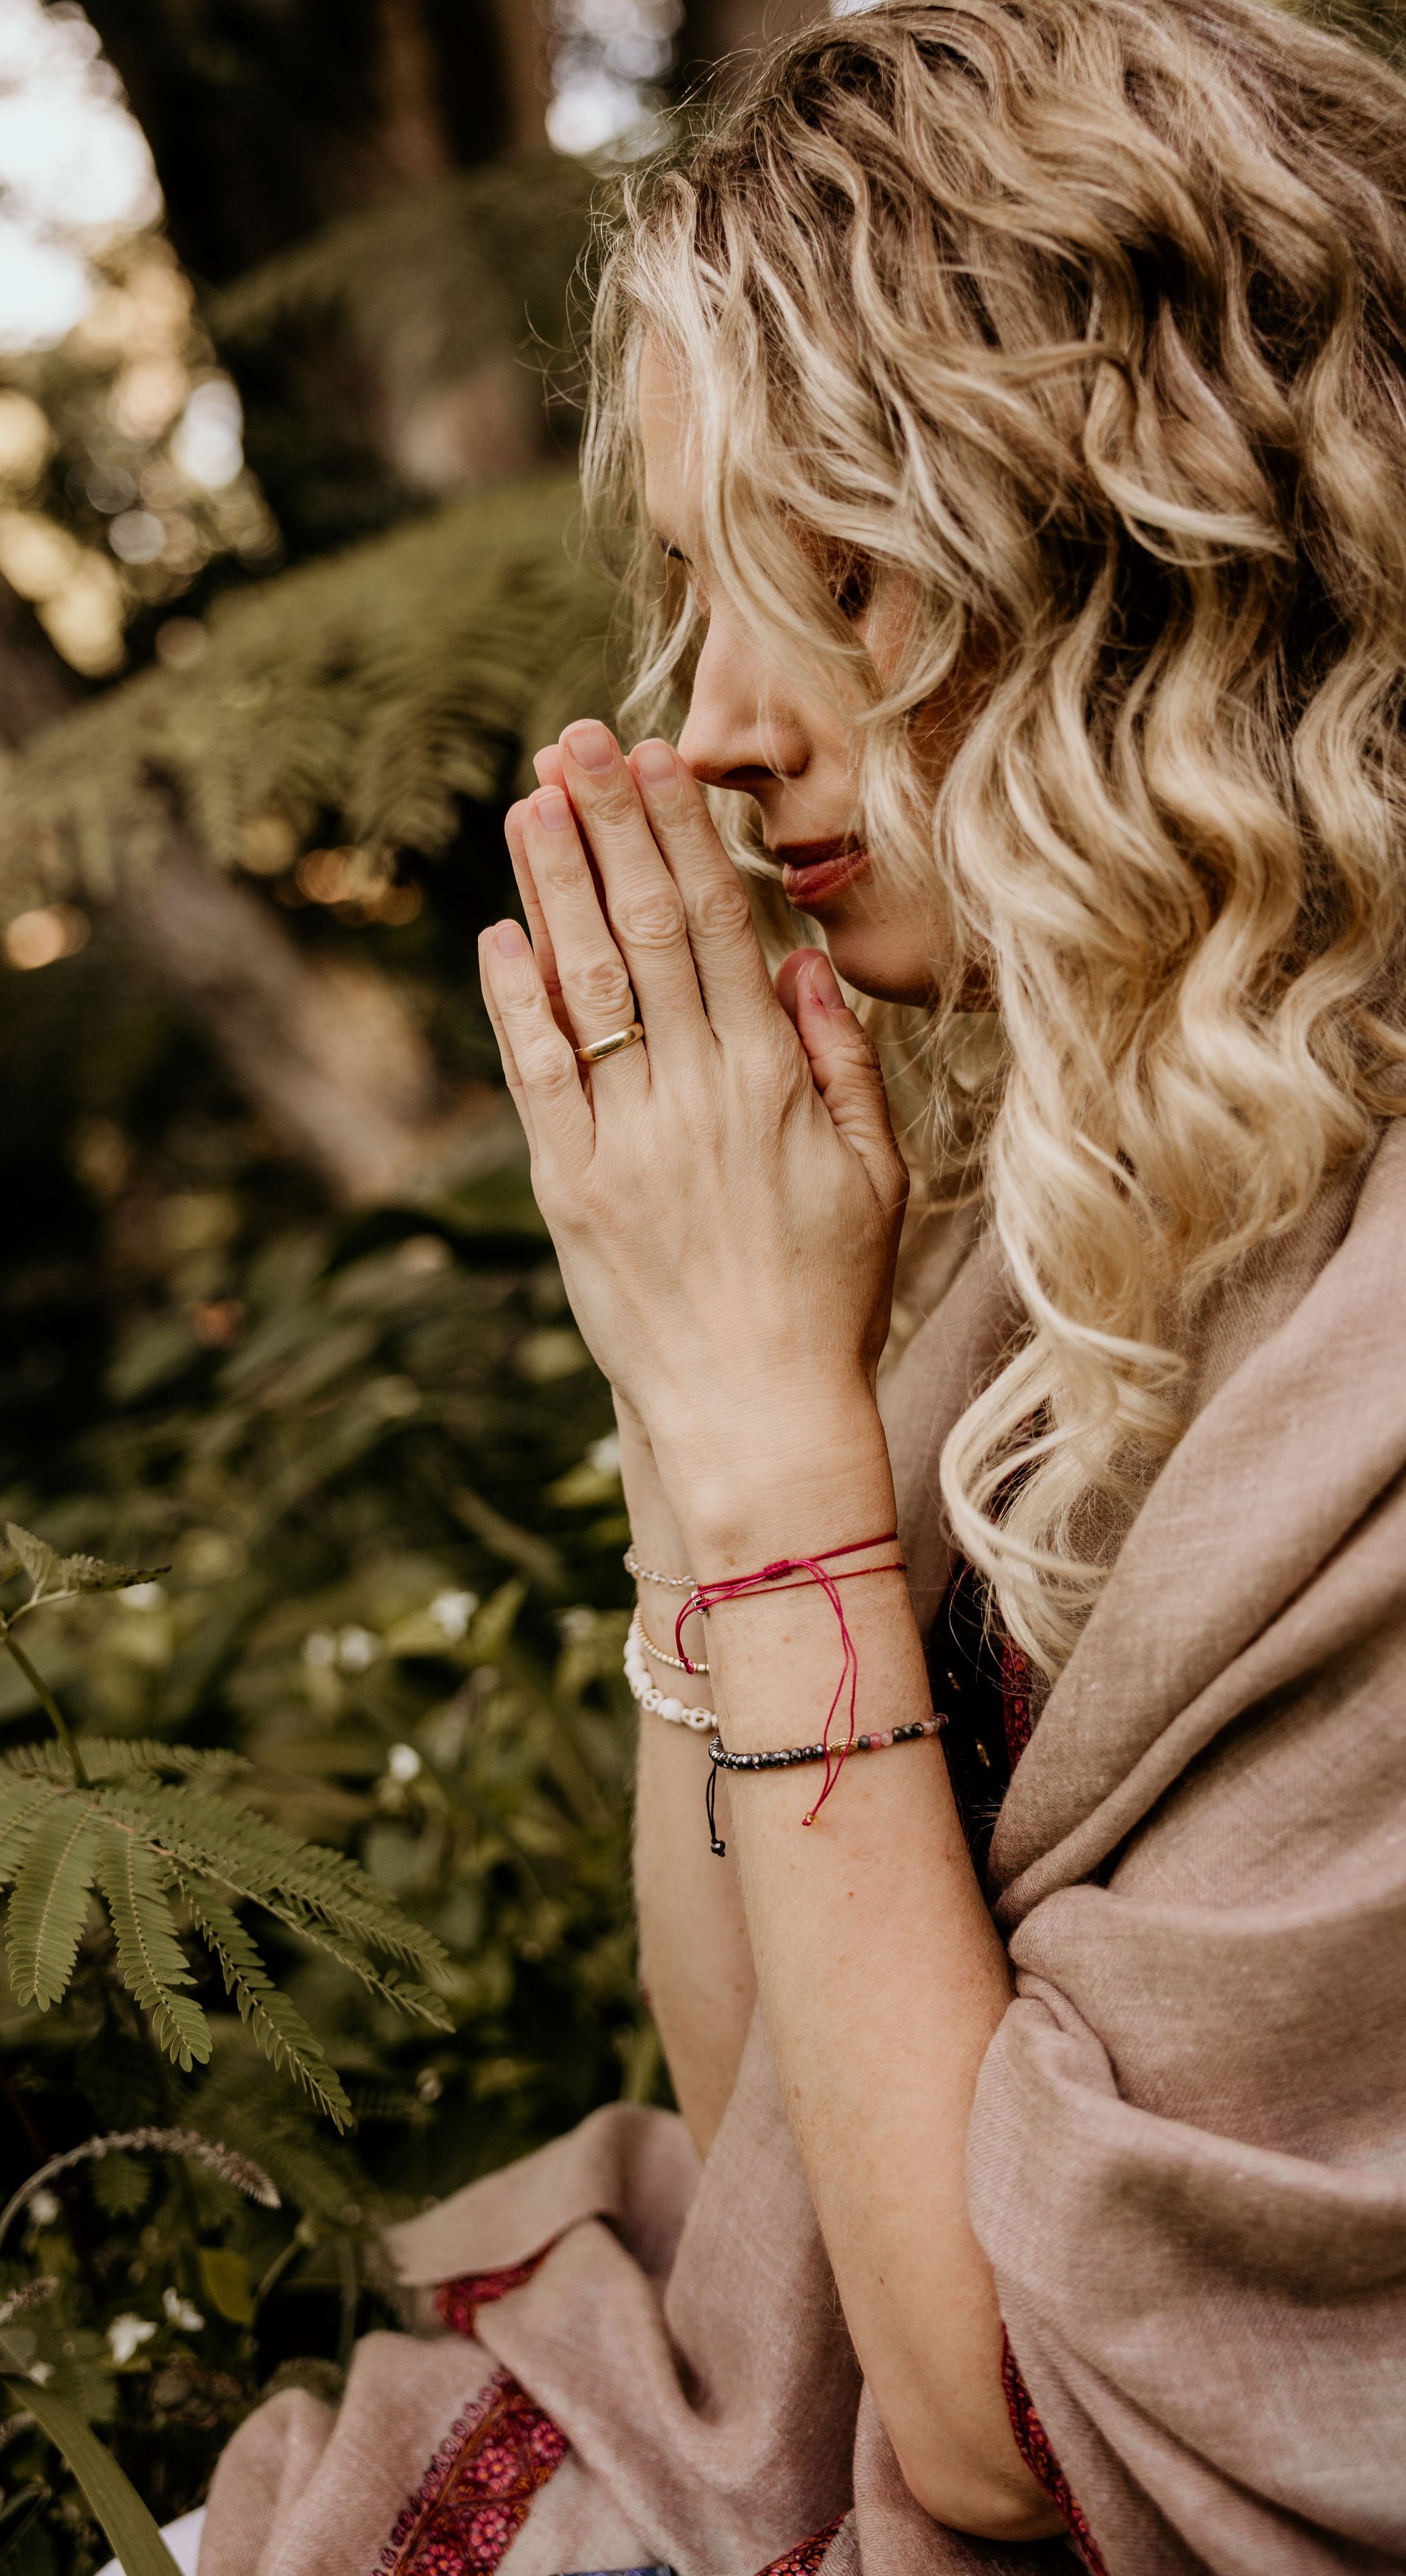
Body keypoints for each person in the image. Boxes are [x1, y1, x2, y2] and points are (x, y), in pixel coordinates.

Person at [199, 3, 1406, 2568]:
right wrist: (706, 1409)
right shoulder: (1093, 1188)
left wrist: (774, 1472)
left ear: (1173, 548)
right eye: (699, 589)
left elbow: (1001, 2427)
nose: (725, 727)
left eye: (840, 576)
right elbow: (772, 2112)